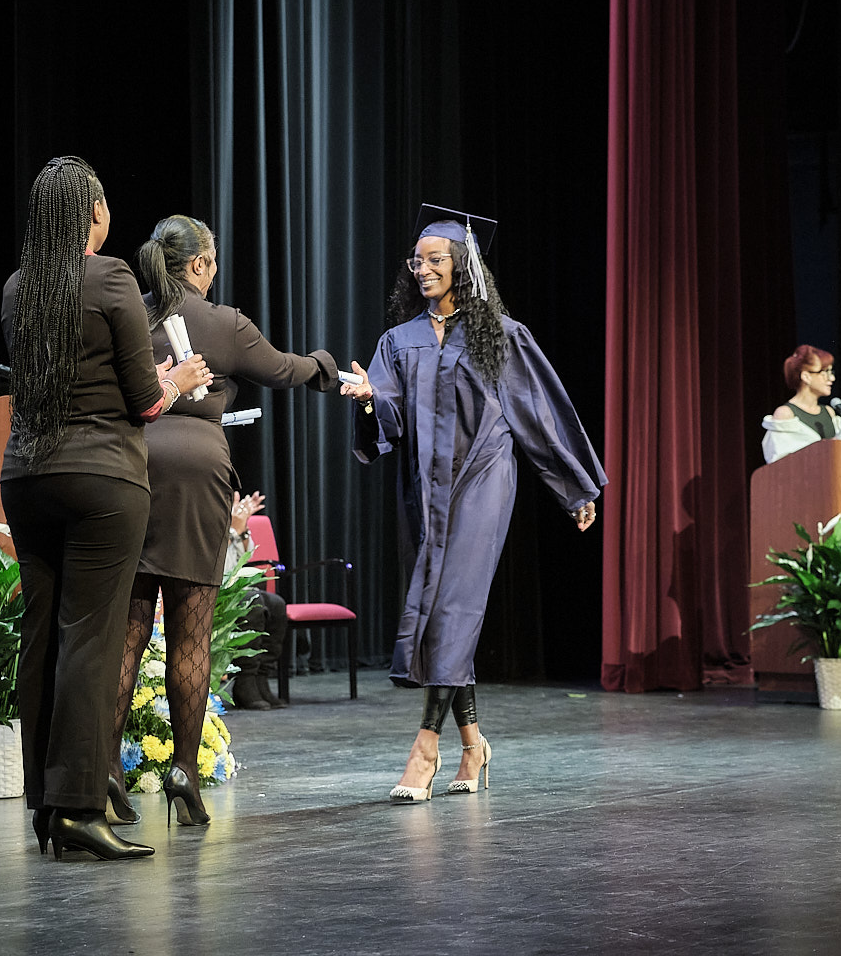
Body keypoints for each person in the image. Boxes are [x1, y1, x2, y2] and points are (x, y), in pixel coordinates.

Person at [341, 208, 605, 803]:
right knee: (443, 610)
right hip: (423, 490)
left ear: (463, 265)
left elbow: (539, 415)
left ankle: (424, 748)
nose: (423, 269)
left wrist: (574, 487)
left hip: (484, 478)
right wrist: (369, 398)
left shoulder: (500, 337)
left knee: (454, 604)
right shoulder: (398, 341)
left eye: (435, 259)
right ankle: (473, 743)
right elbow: (390, 416)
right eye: (417, 261)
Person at [0, 157, 209, 861]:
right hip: (101, 479)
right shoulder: (112, 277)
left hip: (26, 478)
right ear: (94, 213)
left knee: (42, 640)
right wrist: (177, 380)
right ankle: (81, 809)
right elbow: (144, 403)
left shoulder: (17, 287)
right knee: (90, 641)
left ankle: (46, 807)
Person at [114, 214, 336, 827]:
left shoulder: (129, 314)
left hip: (131, 467)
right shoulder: (223, 322)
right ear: (200, 265)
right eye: (211, 263)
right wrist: (324, 364)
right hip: (197, 476)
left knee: (128, 631)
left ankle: (105, 765)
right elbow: (285, 369)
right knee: (191, 633)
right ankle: (184, 769)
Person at [223, 489, 290, 710]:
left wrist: (241, 530)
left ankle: (261, 678)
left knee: (276, 604)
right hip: (213, 590)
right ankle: (245, 681)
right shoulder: (203, 516)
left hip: (236, 587)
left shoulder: (233, 519)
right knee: (252, 599)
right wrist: (233, 529)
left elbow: (245, 558)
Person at [759, 345, 841, 464]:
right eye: (825, 372)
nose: (831, 378)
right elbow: (779, 462)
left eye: (831, 372)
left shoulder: (829, 412)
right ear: (806, 376)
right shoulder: (785, 414)